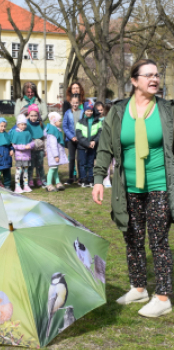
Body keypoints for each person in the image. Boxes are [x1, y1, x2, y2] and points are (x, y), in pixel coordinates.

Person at [93, 59, 174, 318]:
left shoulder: (167, 110)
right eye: (148, 75)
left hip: (160, 184)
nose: (154, 79)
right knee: (132, 237)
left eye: (157, 75)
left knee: (159, 239)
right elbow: (104, 146)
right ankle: (138, 288)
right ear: (134, 80)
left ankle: (163, 296)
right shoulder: (117, 112)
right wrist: (97, 179)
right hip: (128, 186)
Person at [76, 101, 102, 188]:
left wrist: (94, 141)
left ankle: (90, 179)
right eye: (87, 111)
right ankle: (83, 180)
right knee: (82, 164)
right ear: (84, 111)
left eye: (90, 111)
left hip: (92, 146)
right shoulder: (80, 122)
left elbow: (100, 133)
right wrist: (87, 143)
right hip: (82, 147)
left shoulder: (98, 121)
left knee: (90, 164)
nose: (89, 112)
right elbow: (79, 135)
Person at [11, 114, 35, 193]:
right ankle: (17, 186)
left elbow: (32, 142)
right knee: (18, 172)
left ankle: (25, 185)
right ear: (18, 124)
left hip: (27, 156)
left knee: (26, 172)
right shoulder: (15, 133)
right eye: (22, 124)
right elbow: (14, 144)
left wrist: (30, 145)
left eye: (25, 124)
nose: (23, 126)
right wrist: (23, 147)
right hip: (19, 157)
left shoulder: (27, 133)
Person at [62, 94, 84, 185]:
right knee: (71, 159)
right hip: (70, 140)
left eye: (76, 103)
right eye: (73, 103)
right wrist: (71, 137)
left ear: (79, 103)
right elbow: (65, 126)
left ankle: (81, 178)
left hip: (80, 140)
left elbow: (84, 126)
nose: (75, 104)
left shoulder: (83, 112)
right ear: (70, 102)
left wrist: (80, 137)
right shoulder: (67, 113)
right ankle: (71, 177)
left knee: (80, 159)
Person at [44, 112, 68, 192]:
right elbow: (53, 145)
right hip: (53, 154)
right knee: (52, 168)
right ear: (54, 121)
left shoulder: (56, 130)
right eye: (59, 121)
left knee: (55, 168)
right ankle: (49, 184)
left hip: (55, 154)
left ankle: (58, 183)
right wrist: (56, 156)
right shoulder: (52, 132)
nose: (61, 122)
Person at [26, 104, 46, 188]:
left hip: (40, 149)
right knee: (31, 165)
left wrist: (45, 149)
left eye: (35, 115)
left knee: (40, 165)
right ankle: (30, 179)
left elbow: (45, 136)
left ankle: (40, 179)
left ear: (38, 115)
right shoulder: (26, 124)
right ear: (28, 115)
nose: (33, 117)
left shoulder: (41, 124)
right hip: (31, 149)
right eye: (31, 115)